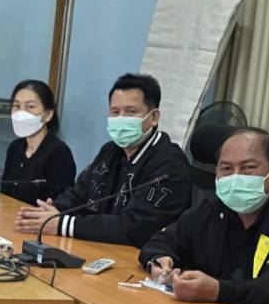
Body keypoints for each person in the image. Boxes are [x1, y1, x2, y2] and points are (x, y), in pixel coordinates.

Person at [139, 127, 269, 304]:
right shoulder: (212, 209)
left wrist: (218, 290)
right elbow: (161, 241)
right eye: (226, 168)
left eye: (248, 167)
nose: (236, 177)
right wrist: (160, 261)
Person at [13, 73, 190, 246]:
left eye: (131, 112)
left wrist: (63, 224)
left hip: (138, 258)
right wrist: (53, 211)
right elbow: (78, 194)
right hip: (99, 247)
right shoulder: (111, 150)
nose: (121, 118)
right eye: (115, 112)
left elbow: (135, 227)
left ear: (153, 117)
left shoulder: (170, 164)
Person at [0, 79, 76, 203]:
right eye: (17, 106)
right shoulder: (14, 147)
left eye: (30, 107)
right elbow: (5, 194)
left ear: (48, 114)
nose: (21, 113)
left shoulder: (59, 153)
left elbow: (57, 204)